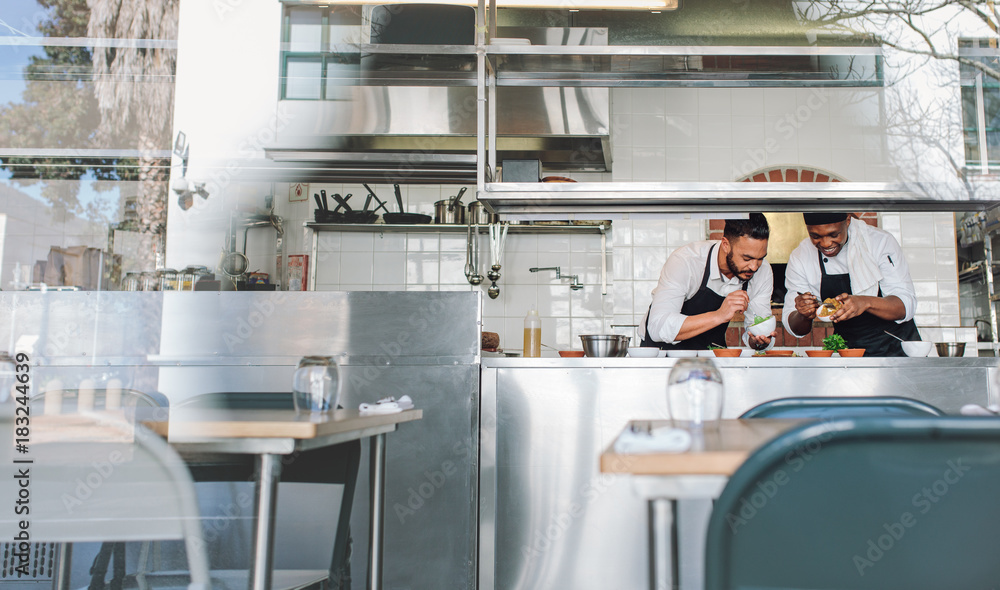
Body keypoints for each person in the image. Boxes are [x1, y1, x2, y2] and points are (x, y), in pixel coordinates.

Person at [783, 213, 919, 357]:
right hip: (848, 354)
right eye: (815, 236)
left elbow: (905, 306)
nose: (826, 243)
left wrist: (865, 302)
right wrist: (803, 314)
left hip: (895, 349)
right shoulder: (802, 256)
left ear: (848, 220)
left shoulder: (879, 242)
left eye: (834, 234)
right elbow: (795, 327)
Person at [639, 214, 776, 351]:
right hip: (663, 356)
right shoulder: (686, 261)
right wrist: (719, 315)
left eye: (760, 258)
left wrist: (759, 341)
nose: (754, 267)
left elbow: (757, 329)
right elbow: (658, 327)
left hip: (708, 357)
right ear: (726, 245)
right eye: (747, 258)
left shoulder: (762, 271)